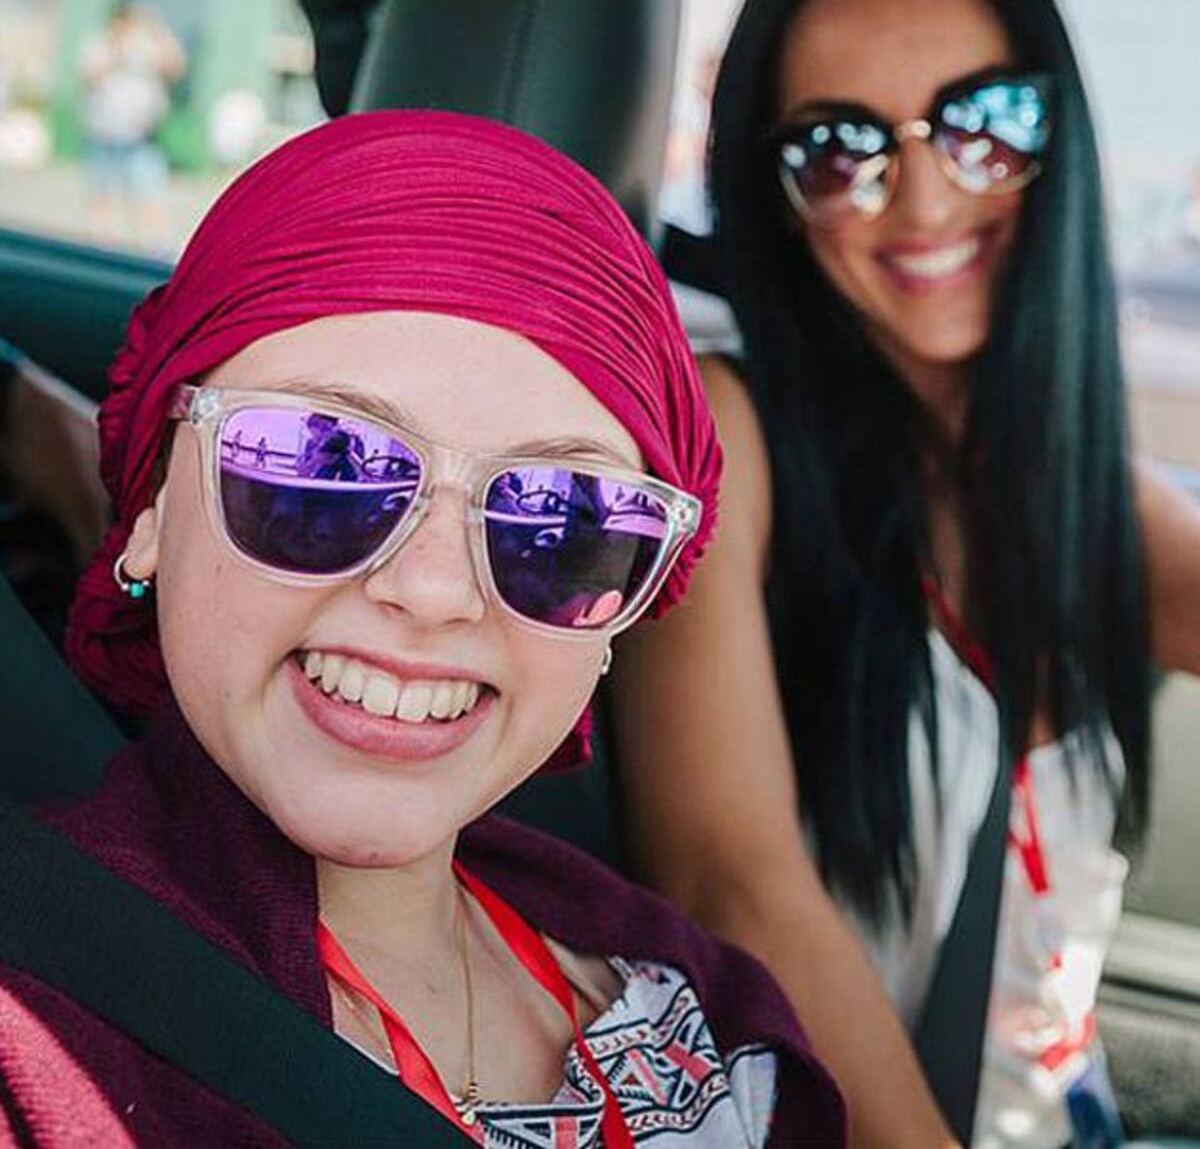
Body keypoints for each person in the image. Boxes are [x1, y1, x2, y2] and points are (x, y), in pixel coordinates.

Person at [0, 110, 846, 1146]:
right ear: (151, 512)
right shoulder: (34, 1030)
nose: (436, 590)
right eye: (322, 465)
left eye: (563, 516)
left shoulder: (715, 1019)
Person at [610, 0, 1200, 1147]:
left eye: (985, 122)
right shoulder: (727, 440)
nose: (926, 202)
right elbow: (732, 882)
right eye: (840, 148)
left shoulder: (1092, 493)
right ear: (772, 187)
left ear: (1059, 133)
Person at [79, 0, 185, 251]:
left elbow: (176, 68)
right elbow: (89, 76)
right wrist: (117, 50)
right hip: (105, 134)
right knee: (104, 193)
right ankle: (104, 246)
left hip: (142, 137)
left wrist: (160, 35)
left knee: (149, 193)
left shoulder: (151, 45)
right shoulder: (101, 44)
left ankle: (157, 247)